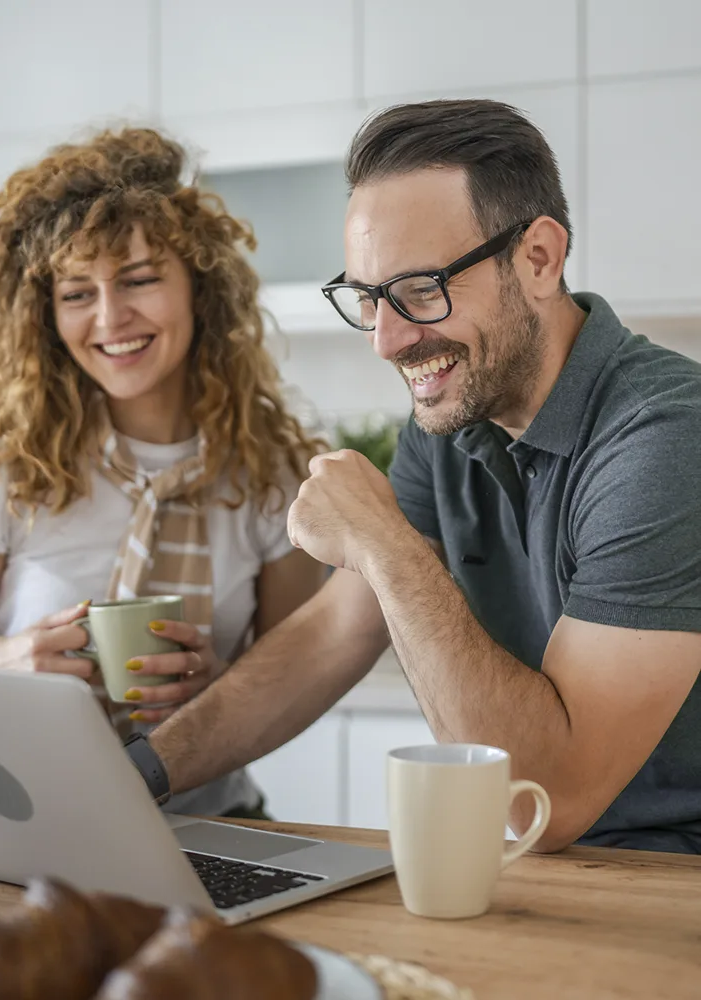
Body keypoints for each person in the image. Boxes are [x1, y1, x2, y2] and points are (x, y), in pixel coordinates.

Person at [133, 99, 701, 854]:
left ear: (538, 257)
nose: (387, 339)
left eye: (421, 289)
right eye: (367, 299)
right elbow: (336, 632)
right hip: (545, 871)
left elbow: (547, 801)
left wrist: (385, 544)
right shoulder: (454, 416)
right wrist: (136, 776)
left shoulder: (665, 437)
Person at [0, 127, 325, 819]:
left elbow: (294, 679)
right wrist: (5, 665)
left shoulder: (276, 473)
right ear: (47, 315)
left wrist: (221, 688)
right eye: (77, 293)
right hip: (27, 827)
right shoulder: (8, 460)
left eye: (140, 280)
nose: (111, 319)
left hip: (211, 824)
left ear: (199, 289)